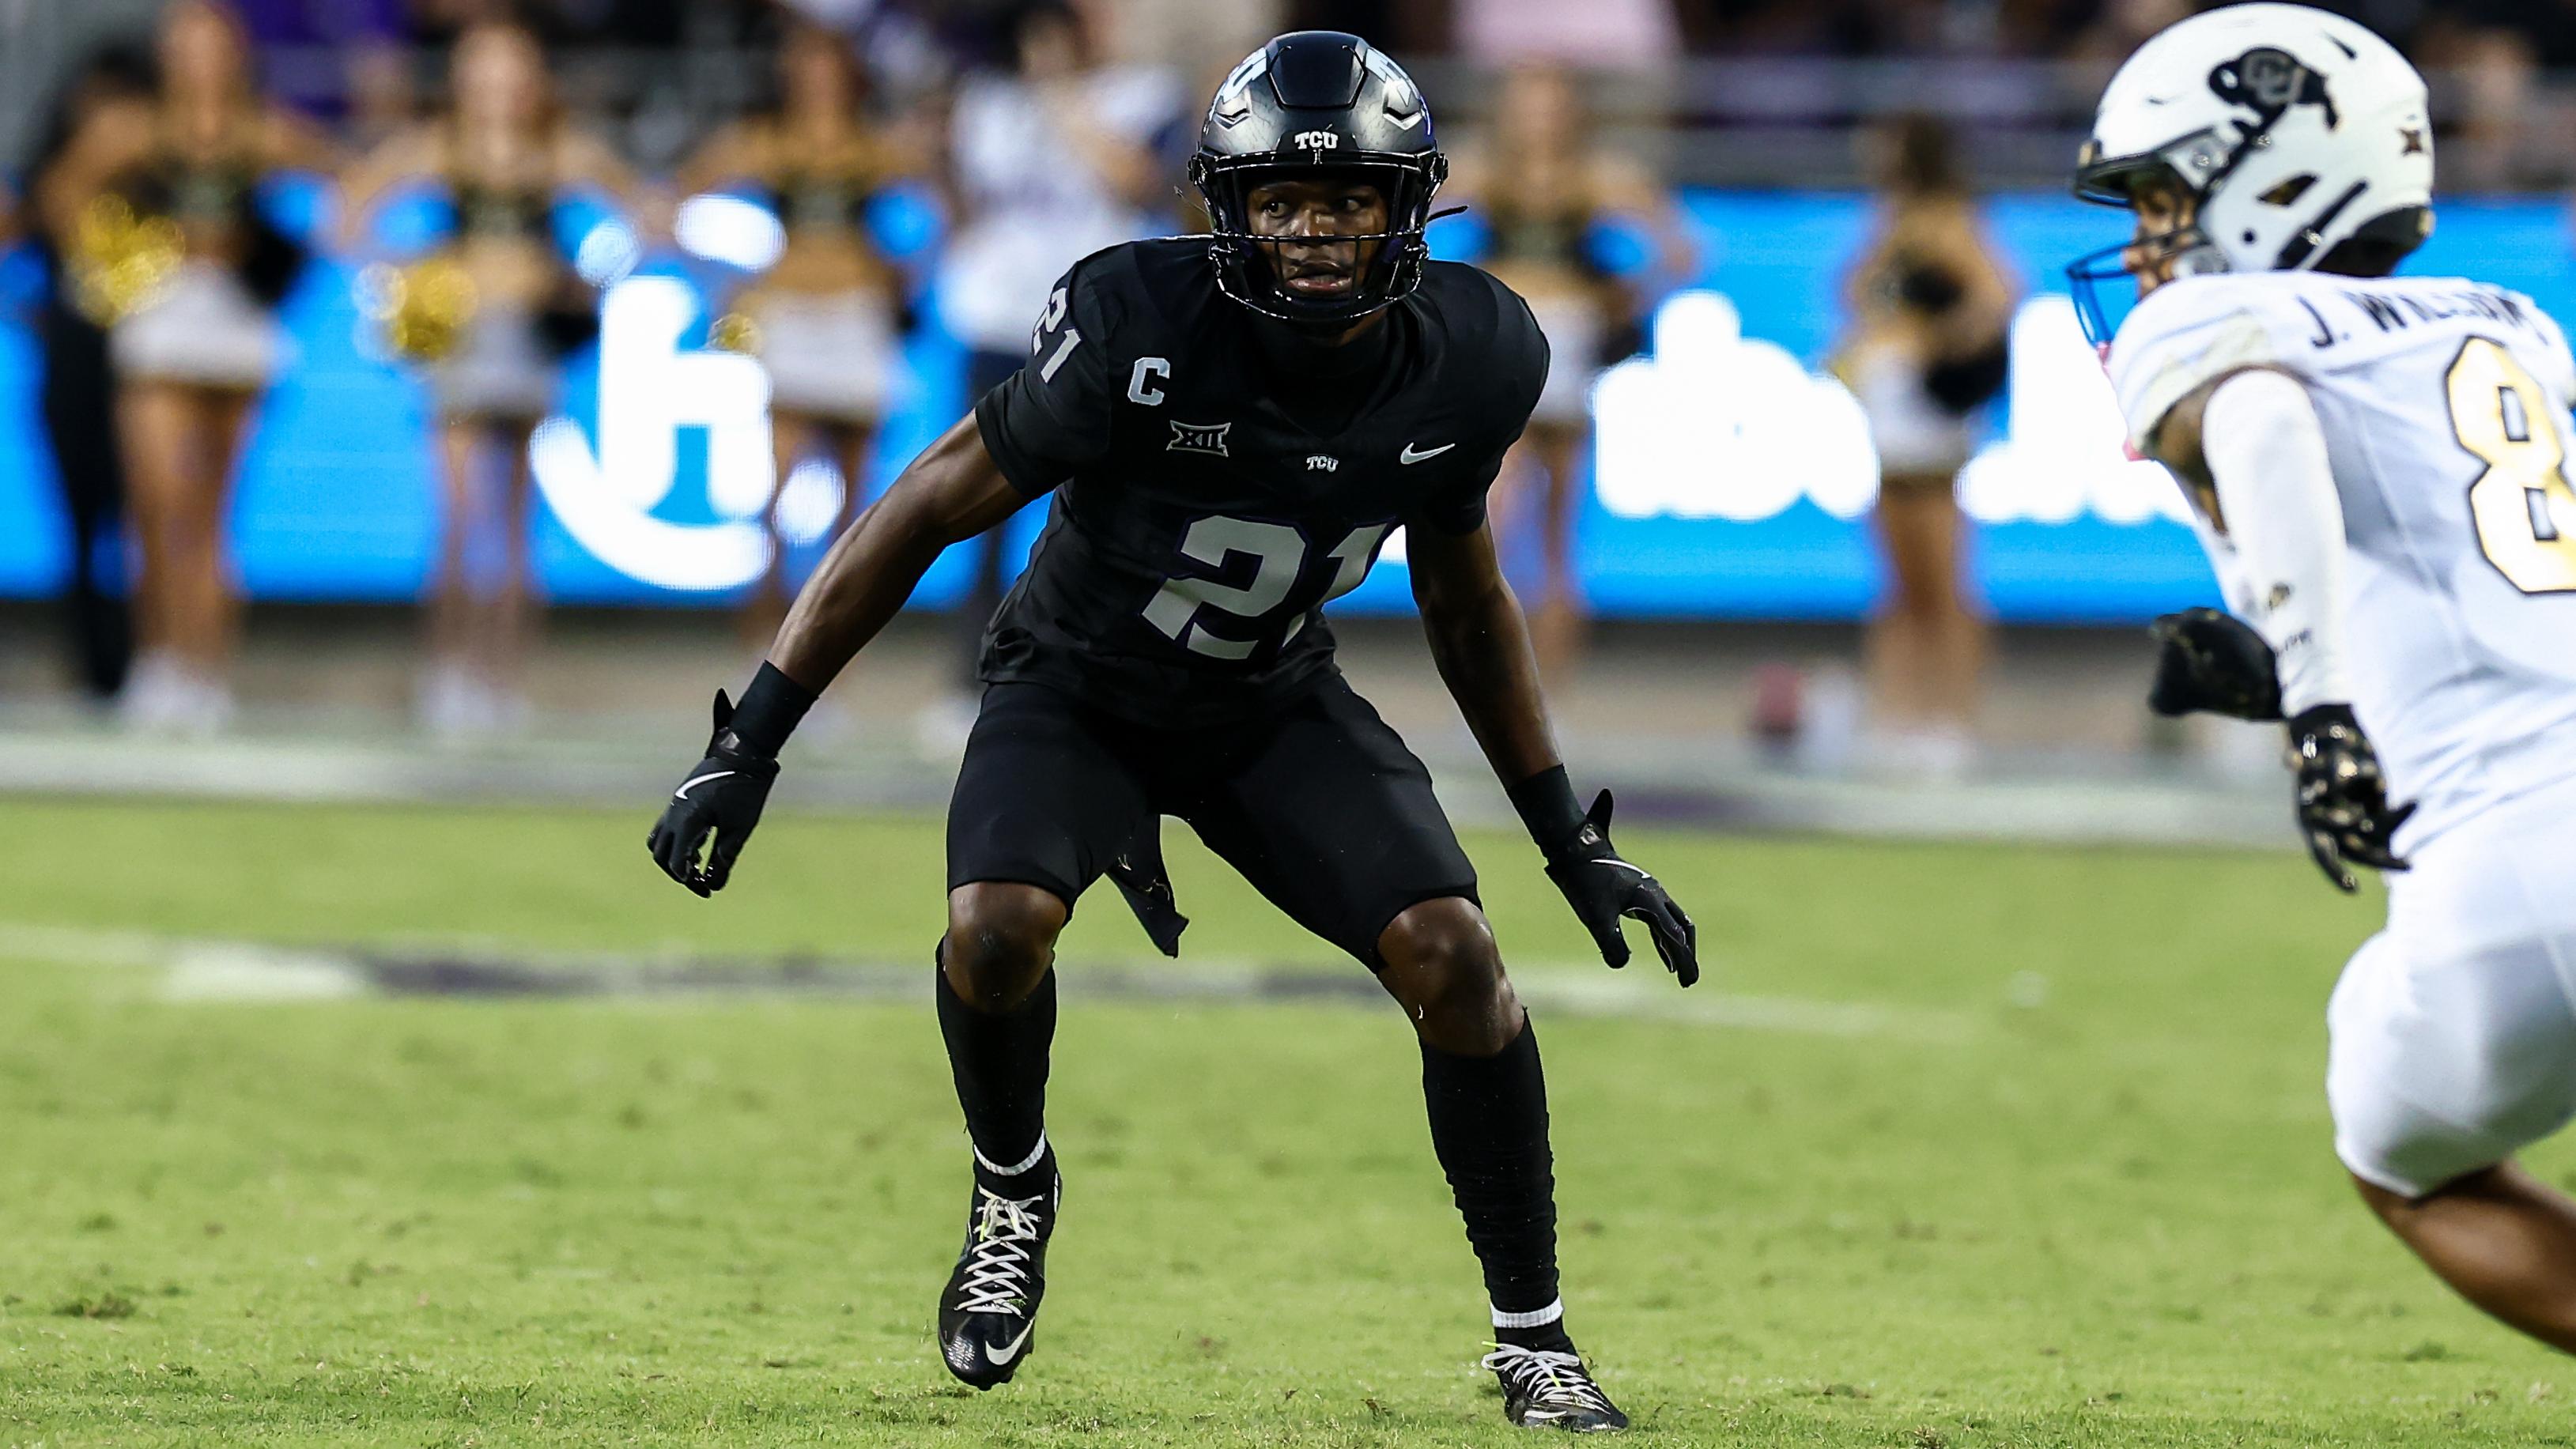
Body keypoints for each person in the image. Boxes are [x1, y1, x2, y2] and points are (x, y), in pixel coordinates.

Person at [647, 32, 1698, 1430]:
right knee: (996, 923)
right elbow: (921, 504)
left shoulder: (1476, 351)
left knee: (1454, 954)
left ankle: (1534, 1336)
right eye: (1281, 202)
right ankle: (1013, 1181)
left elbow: (1466, 600)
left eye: (1346, 202)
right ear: (1227, 209)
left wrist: (1564, 835)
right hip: (1073, 686)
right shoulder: (1138, 325)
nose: (1316, 235)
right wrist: (753, 737)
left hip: (1267, 699)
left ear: (1410, 208)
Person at [2079, 2, 2576, 1355]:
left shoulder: (2216, 320)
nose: (2143, 241)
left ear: (2273, 174)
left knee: (2398, 1151)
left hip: (2511, 867)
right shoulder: (2512, 323)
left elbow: (2257, 412)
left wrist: (2317, 699)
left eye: (2164, 195)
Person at [339, 19, 653, 734]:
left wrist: (584, 283)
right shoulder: (440, 146)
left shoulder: (558, 150)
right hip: (460, 341)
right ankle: (447, 670)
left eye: (511, 69)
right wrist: (404, 274)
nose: (498, 86)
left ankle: (503, 679)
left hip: (527, 343)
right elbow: (351, 207)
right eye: (483, 69)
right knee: (456, 517)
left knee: (514, 523)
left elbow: (643, 215)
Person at [37, 0, 338, 734]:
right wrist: (110, 257)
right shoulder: (136, 128)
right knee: (158, 501)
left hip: (236, 324)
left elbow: (345, 180)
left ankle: (207, 672)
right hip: (160, 322)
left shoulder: (264, 131)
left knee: (210, 512)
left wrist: (284, 257)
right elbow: (61, 189)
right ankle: (159, 663)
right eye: (186, 43)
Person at [926, 0, 1177, 741]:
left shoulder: (1141, 94)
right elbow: (968, 206)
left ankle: (1107, 673)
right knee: (980, 507)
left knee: (1107, 503)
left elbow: (1139, 184)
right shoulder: (989, 104)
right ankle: (966, 677)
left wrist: (1063, 99)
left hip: (1094, 324)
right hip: (997, 316)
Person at [1442, 63, 1695, 686]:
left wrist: (1625, 298)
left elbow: (1682, 251)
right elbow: (1411, 219)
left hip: (1568, 342)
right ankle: (1490, 684)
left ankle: (1548, 692)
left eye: (1550, 103)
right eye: (1528, 102)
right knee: (1493, 517)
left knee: (1557, 528)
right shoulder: (1485, 169)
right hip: (1506, 340)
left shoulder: (1596, 176)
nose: (1539, 118)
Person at [678, 21, 917, 647]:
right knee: (777, 491)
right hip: (791, 315)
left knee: (855, 507)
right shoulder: (766, 143)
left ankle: (833, 647)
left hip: (856, 316)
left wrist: (902, 272)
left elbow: (943, 208)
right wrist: (730, 281)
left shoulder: (874, 148)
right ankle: (767, 633)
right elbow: (681, 198)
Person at [1834, 113, 2014, 778]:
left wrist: (1933, 352)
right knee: (1899, 580)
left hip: (1926, 414)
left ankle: (1950, 721)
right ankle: (1898, 716)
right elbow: (1862, 296)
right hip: (1889, 412)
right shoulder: (1892, 219)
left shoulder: (1945, 219)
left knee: (1941, 577)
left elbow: (1995, 297)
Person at [24, 44, 159, 706]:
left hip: (148, 361)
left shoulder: (160, 181)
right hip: (74, 359)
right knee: (80, 519)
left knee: (153, 515)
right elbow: (38, 232)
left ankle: (158, 663)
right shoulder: (60, 175)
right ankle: (96, 668)